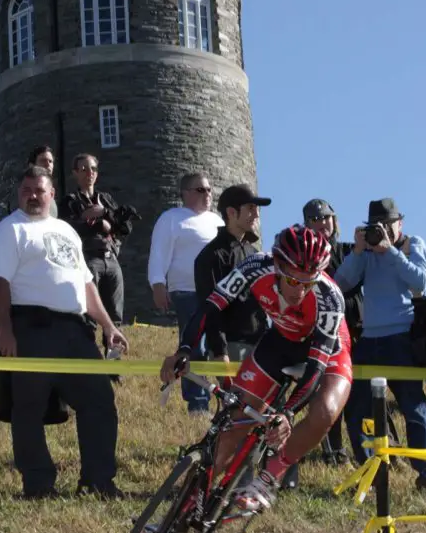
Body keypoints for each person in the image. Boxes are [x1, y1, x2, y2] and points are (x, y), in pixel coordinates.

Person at [161, 225, 352, 512]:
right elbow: (211, 307)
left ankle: (268, 477)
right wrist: (185, 348)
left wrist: (287, 413)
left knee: (324, 411)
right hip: (282, 340)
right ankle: (188, 501)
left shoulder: (330, 298)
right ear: (277, 265)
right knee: (236, 420)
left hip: (328, 350)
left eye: (308, 282)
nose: (300, 289)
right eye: (292, 280)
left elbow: (315, 368)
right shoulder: (255, 266)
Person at [0, 166, 129, 499]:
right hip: (30, 328)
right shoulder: (10, 230)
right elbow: (0, 282)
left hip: (76, 331)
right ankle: (38, 485)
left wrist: (108, 326)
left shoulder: (66, 230)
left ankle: (98, 481)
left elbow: (86, 283)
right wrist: (4, 329)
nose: (32, 195)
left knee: (99, 402)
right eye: (26, 190)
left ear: (51, 195)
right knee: (28, 408)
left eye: (39, 190)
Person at [334, 198, 426, 496]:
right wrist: (357, 250)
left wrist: (389, 250)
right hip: (369, 340)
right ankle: (371, 472)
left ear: (399, 224)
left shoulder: (411, 244)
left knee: (413, 407)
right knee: (355, 409)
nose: (381, 231)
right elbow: (341, 283)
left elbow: (419, 280)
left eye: (386, 225)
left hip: (402, 339)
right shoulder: (365, 251)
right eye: (375, 226)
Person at [149, 172, 223, 414]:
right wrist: (158, 283)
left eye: (209, 189)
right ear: (186, 193)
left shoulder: (217, 221)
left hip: (218, 294)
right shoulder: (172, 218)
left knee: (219, 346)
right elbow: (159, 252)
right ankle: (197, 403)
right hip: (187, 292)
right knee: (195, 346)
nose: (208, 194)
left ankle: (227, 400)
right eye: (201, 190)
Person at [303, 198, 363, 464]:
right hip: (326, 336)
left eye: (326, 217)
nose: (323, 223)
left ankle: (370, 452)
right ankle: (333, 452)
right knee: (327, 394)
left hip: (358, 332)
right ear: (307, 224)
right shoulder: (304, 254)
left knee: (360, 397)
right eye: (316, 219)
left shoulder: (350, 251)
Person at [59, 153, 133, 351]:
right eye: (83, 169)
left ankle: (114, 365)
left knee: (115, 314)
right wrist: (98, 224)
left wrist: (104, 215)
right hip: (88, 258)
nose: (89, 173)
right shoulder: (70, 201)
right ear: (75, 173)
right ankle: (89, 359)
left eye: (92, 169)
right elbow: (69, 229)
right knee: (89, 312)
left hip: (111, 257)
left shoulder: (106, 199)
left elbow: (125, 227)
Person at [195, 184, 271, 363]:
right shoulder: (211, 256)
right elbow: (210, 309)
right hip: (232, 346)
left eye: (257, 209)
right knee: (235, 393)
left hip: (262, 345)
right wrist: (220, 350)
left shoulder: (255, 253)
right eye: (250, 208)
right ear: (231, 212)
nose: (257, 214)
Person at [28, 145, 57, 217]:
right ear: (31, 166)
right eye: (43, 161)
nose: (48, 164)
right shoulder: (24, 192)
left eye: (50, 161)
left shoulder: (50, 190)